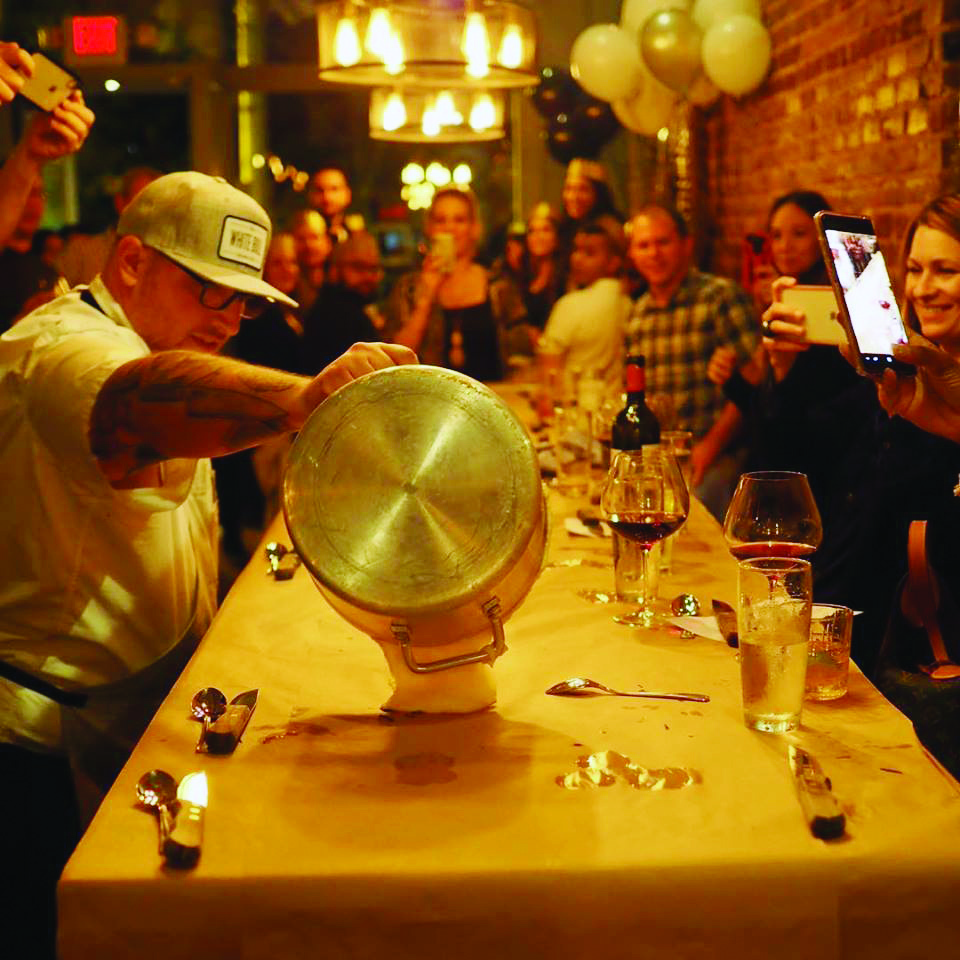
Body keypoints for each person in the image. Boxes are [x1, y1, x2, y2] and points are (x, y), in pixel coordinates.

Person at [0, 170, 415, 959]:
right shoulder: (65, 345)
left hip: (132, 718)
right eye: (210, 292)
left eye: (246, 302)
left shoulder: (147, 334)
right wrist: (304, 399)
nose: (230, 321)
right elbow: (135, 398)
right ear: (131, 264)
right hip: (38, 749)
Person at [707, 191, 876, 560]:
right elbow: (769, 409)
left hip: (816, 487)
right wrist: (732, 380)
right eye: (777, 235)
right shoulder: (785, 299)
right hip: (783, 470)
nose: (785, 246)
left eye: (799, 233)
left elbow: (801, 418)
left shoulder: (829, 308)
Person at [625, 203, 759, 520]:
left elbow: (755, 376)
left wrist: (710, 446)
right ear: (632, 254)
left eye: (663, 242)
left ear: (686, 245)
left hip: (720, 453)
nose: (654, 254)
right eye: (644, 245)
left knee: (697, 517)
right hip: (659, 459)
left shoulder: (720, 296)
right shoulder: (637, 315)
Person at [216, 230, 305, 572]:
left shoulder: (289, 309)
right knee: (267, 509)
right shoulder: (256, 317)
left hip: (284, 423)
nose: (287, 269)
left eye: (292, 262)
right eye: (278, 262)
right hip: (266, 425)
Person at [385, 185, 525, 382]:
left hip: (490, 401)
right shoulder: (408, 288)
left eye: (459, 220)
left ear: (474, 227)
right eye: (441, 220)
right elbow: (393, 364)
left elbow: (521, 357)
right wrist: (426, 297)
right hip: (428, 403)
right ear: (430, 228)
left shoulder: (497, 285)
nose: (449, 228)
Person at [540, 221, 630, 385]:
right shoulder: (630, 304)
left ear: (613, 263)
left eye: (589, 253)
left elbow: (550, 372)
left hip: (574, 402)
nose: (576, 259)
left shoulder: (570, 305)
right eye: (576, 250)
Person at [54, 165, 162, 287]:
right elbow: (53, 299)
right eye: (145, 203)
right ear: (120, 203)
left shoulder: (167, 262)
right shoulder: (82, 253)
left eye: (161, 206)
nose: (153, 214)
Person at [301, 230, 384, 375]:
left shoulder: (356, 308)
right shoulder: (335, 314)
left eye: (373, 269)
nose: (368, 276)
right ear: (334, 269)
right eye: (358, 267)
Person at [556, 158, 624, 292]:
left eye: (582, 190)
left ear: (598, 194)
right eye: (569, 189)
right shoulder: (568, 226)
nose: (573, 197)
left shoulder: (609, 228)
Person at [290, 207, 331, 312]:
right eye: (301, 238)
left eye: (314, 237)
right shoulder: (286, 288)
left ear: (327, 242)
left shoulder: (340, 285)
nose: (309, 245)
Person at [307, 164, 359, 244]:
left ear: (347, 194)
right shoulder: (299, 240)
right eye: (320, 190)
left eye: (334, 189)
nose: (327, 197)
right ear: (310, 195)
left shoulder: (360, 236)